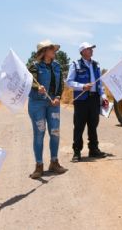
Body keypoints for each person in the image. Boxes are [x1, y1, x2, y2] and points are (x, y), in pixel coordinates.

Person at [27, 40, 68, 179]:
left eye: (54, 49)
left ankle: (54, 162)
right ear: (44, 51)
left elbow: (60, 84)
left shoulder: (57, 66)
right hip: (37, 103)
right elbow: (30, 81)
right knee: (39, 133)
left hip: (53, 103)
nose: (55, 52)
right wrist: (36, 87)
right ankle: (39, 166)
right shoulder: (34, 66)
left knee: (55, 132)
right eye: (52, 49)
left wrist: (58, 96)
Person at [66, 42, 109, 162]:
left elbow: (99, 83)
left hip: (94, 98)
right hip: (81, 100)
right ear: (83, 52)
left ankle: (94, 149)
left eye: (91, 49)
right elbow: (69, 82)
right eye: (89, 49)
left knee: (93, 125)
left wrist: (103, 96)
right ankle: (77, 152)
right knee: (79, 126)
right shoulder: (75, 65)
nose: (91, 51)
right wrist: (82, 86)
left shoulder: (96, 65)